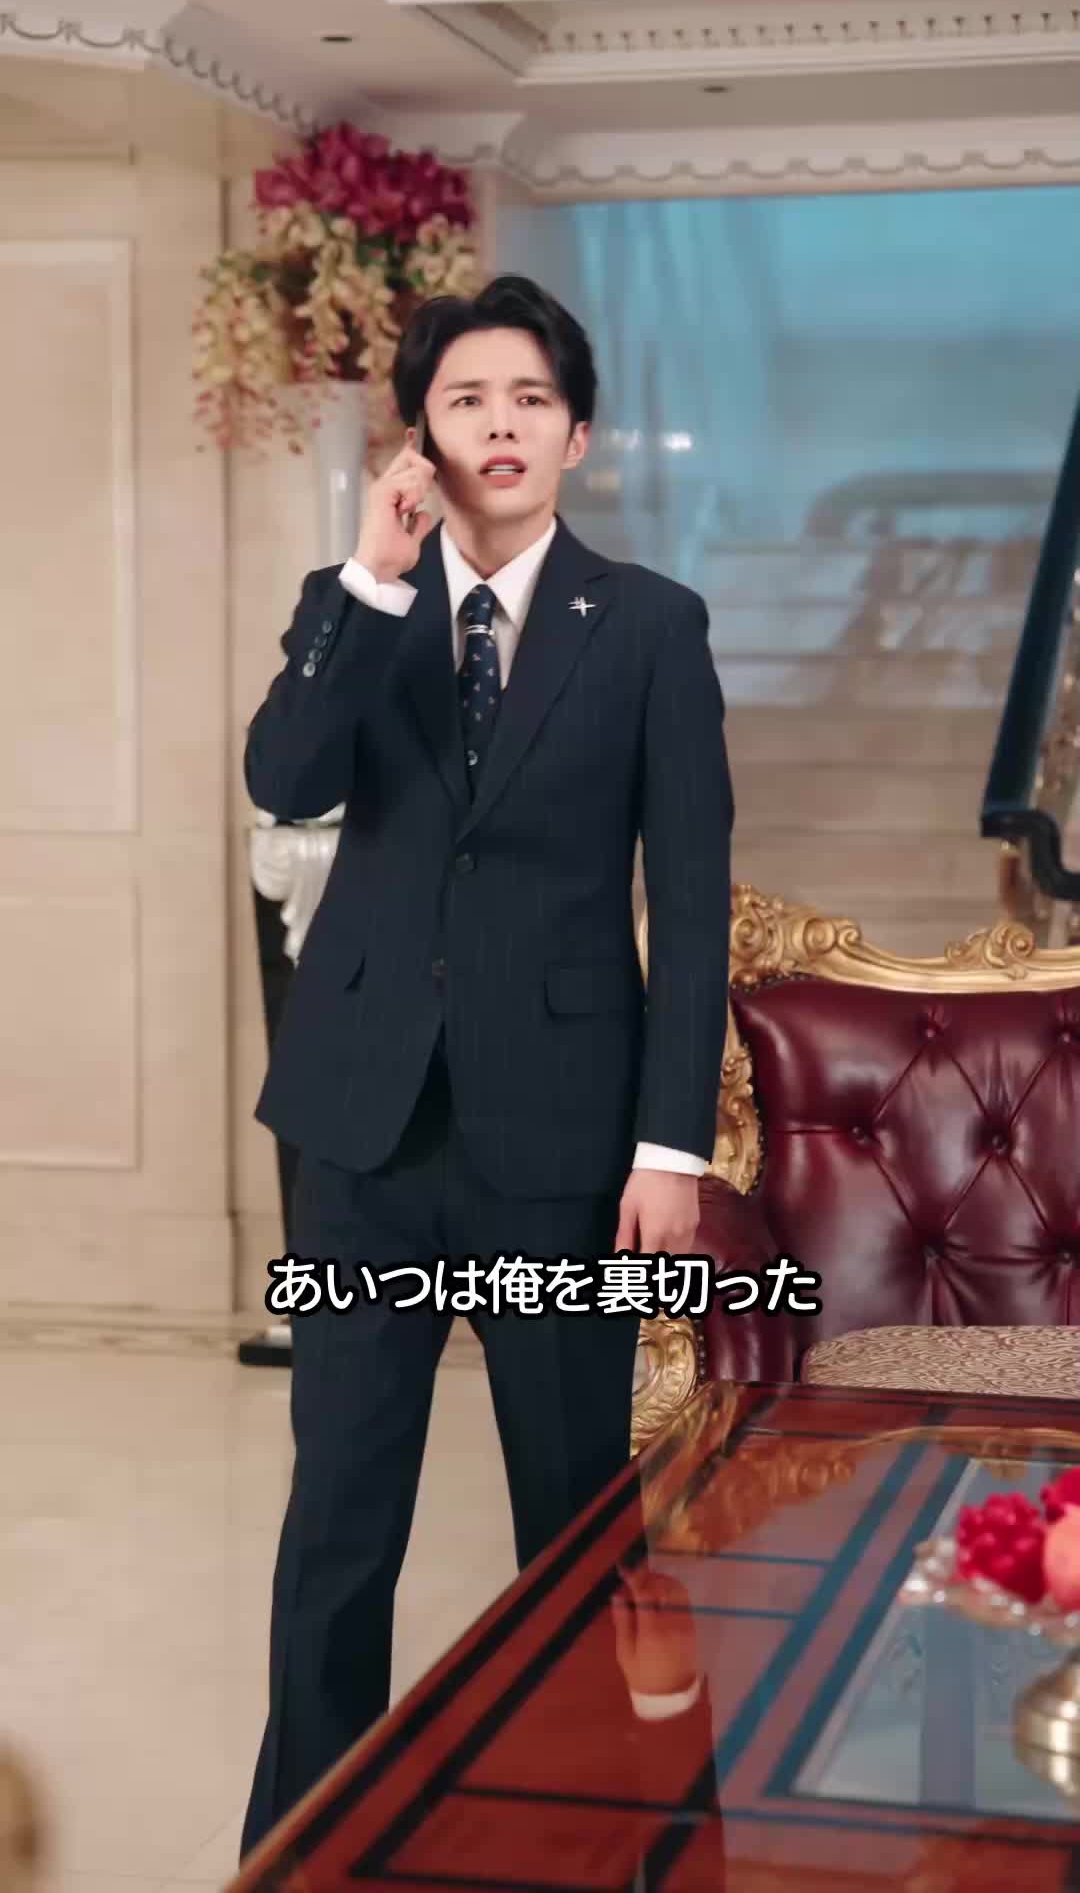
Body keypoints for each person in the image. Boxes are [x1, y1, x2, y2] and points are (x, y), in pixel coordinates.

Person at [239, 274, 734, 1858]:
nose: (500, 423)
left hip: (565, 1144)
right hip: (364, 1139)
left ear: (578, 434)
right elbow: (284, 777)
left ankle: (599, 1835)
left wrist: (670, 1148)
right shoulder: (357, 605)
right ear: (422, 435)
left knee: (578, 1524)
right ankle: (303, 1846)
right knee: (338, 1522)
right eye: (467, 399)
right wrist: (368, 582)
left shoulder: (649, 625)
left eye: (530, 398)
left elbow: (693, 899)